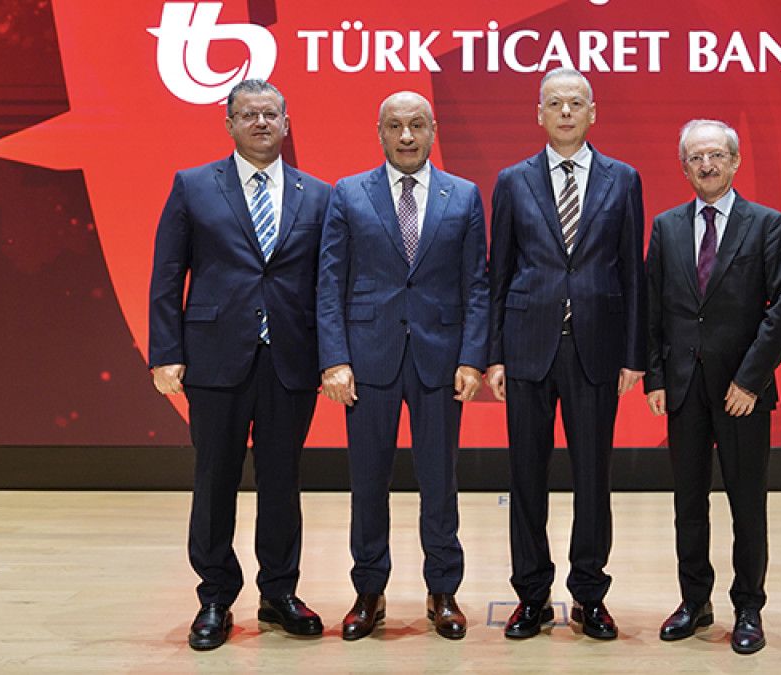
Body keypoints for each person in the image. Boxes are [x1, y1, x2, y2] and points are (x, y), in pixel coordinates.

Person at [148, 79, 332, 650]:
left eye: (270, 114)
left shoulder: (318, 194)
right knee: (215, 478)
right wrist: (166, 352)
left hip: (290, 360)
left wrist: (333, 357)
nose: (260, 123)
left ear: (286, 124)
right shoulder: (193, 186)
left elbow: (328, 285)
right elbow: (167, 275)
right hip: (214, 358)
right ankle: (214, 596)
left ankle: (279, 593)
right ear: (228, 124)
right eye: (248, 114)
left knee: (282, 480)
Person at [316, 91, 489, 641]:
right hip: (368, 359)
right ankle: (369, 591)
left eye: (417, 125)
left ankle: (443, 590)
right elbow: (329, 282)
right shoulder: (348, 193)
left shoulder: (464, 195)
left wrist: (472, 358)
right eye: (395, 126)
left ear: (433, 129)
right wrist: (334, 359)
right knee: (368, 481)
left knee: (439, 481)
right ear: (380, 132)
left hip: (441, 359)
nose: (407, 136)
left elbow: (477, 285)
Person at [486, 67, 646, 641]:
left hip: (595, 349)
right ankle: (531, 596)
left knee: (593, 479)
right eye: (555, 103)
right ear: (539, 114)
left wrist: (635, 354)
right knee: (526, 477)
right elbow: (498, 273)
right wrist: (494, 354)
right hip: (527, 348)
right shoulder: (513, 180)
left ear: (593, 112)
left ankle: (589, 594)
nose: (566, 112)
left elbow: (632, 272)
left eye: (576, 103)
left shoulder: (623, 179)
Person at [644, 119, 781, 654]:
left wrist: (751, 380)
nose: (706, 165)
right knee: (688, 503)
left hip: (741, 393)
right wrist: (656, 378)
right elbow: (653, 309)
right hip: (683, 387)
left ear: (735, 161)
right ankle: (695, 601)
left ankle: (748, 607)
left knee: (746, 504)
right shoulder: (666, 227)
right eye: (695, 158)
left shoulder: (767, 224)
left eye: (715, 155)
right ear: (683, 167)